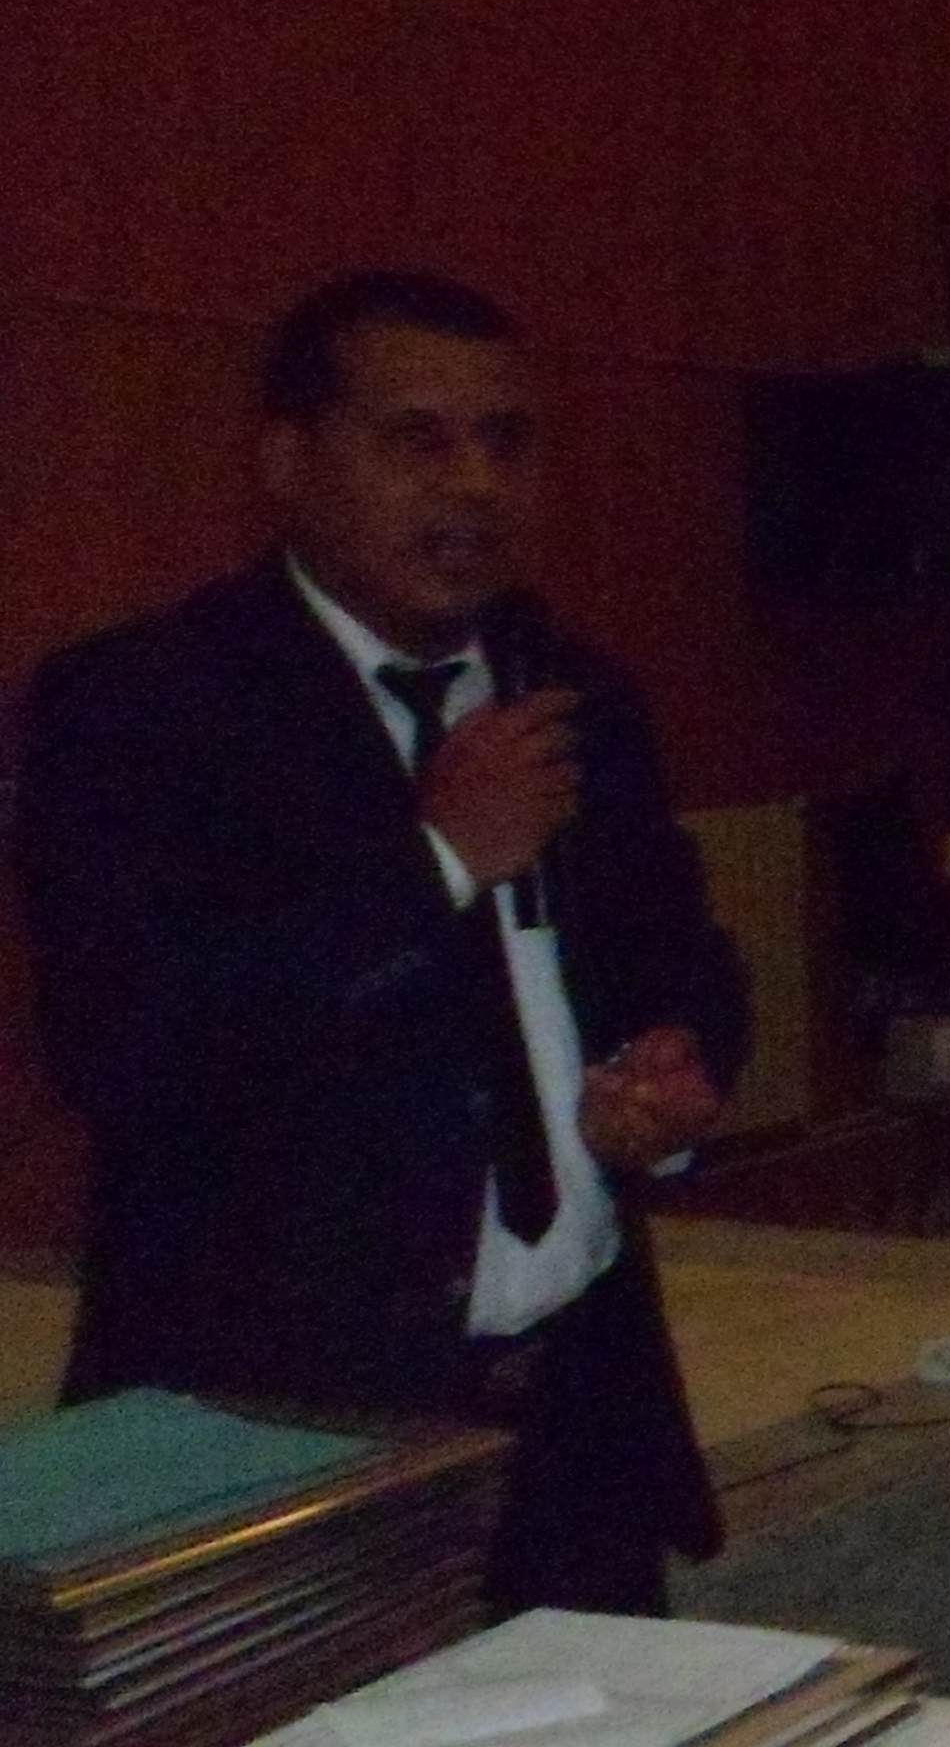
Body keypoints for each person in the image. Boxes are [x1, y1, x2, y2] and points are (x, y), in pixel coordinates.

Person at [14, 270, 750, 1614]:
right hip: (278, 1442)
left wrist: (676, 1073)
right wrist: (439, 861)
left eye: (506, 441)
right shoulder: (140, 709)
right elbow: (126, 1047)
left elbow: (685, 959)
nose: (474, 484)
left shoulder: (577, 695)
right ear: (288, 463)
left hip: (573, 1431)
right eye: (418, 439)